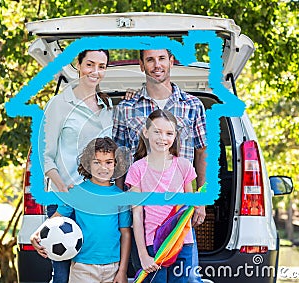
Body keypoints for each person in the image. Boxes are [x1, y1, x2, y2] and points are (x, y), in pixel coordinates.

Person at [112, 49, 206, 280]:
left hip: (179, 214)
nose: (157, 65)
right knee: (150, 274)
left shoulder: (193, 105)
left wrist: (200, 200)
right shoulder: (126, 108)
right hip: (145, 217)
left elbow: (203, 151)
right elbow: (120, 159)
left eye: (162, 58)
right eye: (150, 60)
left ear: (171, 62)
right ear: (142, 65)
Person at [36, 49, 113, 283]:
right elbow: (44, 156)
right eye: (90, 64)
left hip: (99, 203)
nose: (95, 71)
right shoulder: (58, 104)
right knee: (62, 275)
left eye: (101, 66)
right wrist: (63, 187)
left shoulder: (107, 107)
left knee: (97, 272)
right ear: (78, 64)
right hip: (64, 201)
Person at [32, 137, 132, 283]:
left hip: (113, 268)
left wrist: (122, 271)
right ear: (87, 164)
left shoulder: (120, 197)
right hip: (82, 268)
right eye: (97, 162)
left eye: (109, 162)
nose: (103, 167)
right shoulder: (77, 193)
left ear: (116, 165)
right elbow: (56, 219)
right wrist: (35, 234)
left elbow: (126, 233)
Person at [125, 109, 198, 282]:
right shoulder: (137, 169)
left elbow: (190, 206)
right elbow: (137, 213)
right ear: (146, 132)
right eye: (157, 131)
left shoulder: (184, 166)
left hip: (182, 242)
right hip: (153, 244)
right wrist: (143, 255)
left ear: (175, 136)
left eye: (169, 133)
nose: (162, 138)